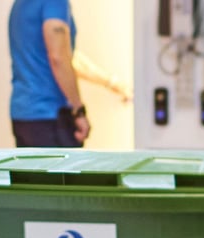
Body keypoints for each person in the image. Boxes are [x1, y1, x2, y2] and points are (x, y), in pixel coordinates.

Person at [8, 0, 131, 148]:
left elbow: (67, 57)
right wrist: (78, 110)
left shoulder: (20, 4)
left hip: (23, 116)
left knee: (30, 171)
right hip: (51, 116)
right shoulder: (55, 2)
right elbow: (59, 58)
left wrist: (111, 82)